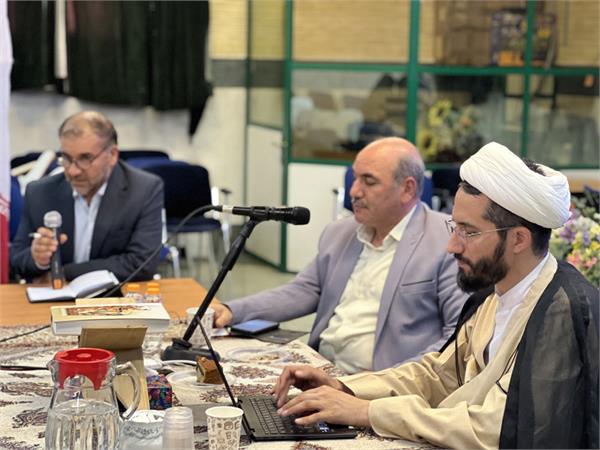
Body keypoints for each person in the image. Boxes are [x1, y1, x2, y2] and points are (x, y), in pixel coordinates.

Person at [273, 142, 599, 449]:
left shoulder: (560, 314)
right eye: (454, 227)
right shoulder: (494, 294)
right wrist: (345, 388)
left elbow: (498, 430)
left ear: (518, 239)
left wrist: (367, 412)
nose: (452, 246)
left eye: (469, 231)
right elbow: (441, 374)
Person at [212, 137, 468, 373]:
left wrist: (385, 383)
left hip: (384, 386)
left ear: (407, 189)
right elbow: (305, 290)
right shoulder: (340, 233)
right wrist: (233, 311)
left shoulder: (447, 242)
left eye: (369, 182)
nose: (354, 191)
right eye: (355, 178)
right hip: (322, 369)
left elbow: (457, 336)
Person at [11, 111, 164, 282]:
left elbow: (141, 264)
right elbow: (16, 259)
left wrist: (64, 272)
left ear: (112, 155)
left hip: (114, 294)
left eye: (85, 158)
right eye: (66, 158)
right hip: (54, 295)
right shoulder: (40, 192)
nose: (73, 171)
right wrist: (37, 258)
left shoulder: (143, 189)